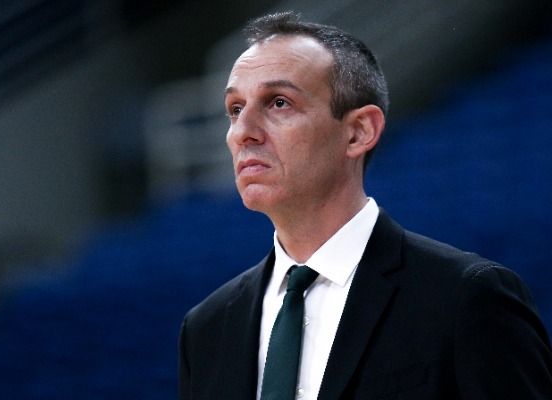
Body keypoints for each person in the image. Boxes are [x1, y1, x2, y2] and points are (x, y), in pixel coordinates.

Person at [178, 11, 552, 400]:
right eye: (235, 109)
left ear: (359, 131)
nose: (242, 132)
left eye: (278, 103)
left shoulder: (466, 297)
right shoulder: (206, 329)